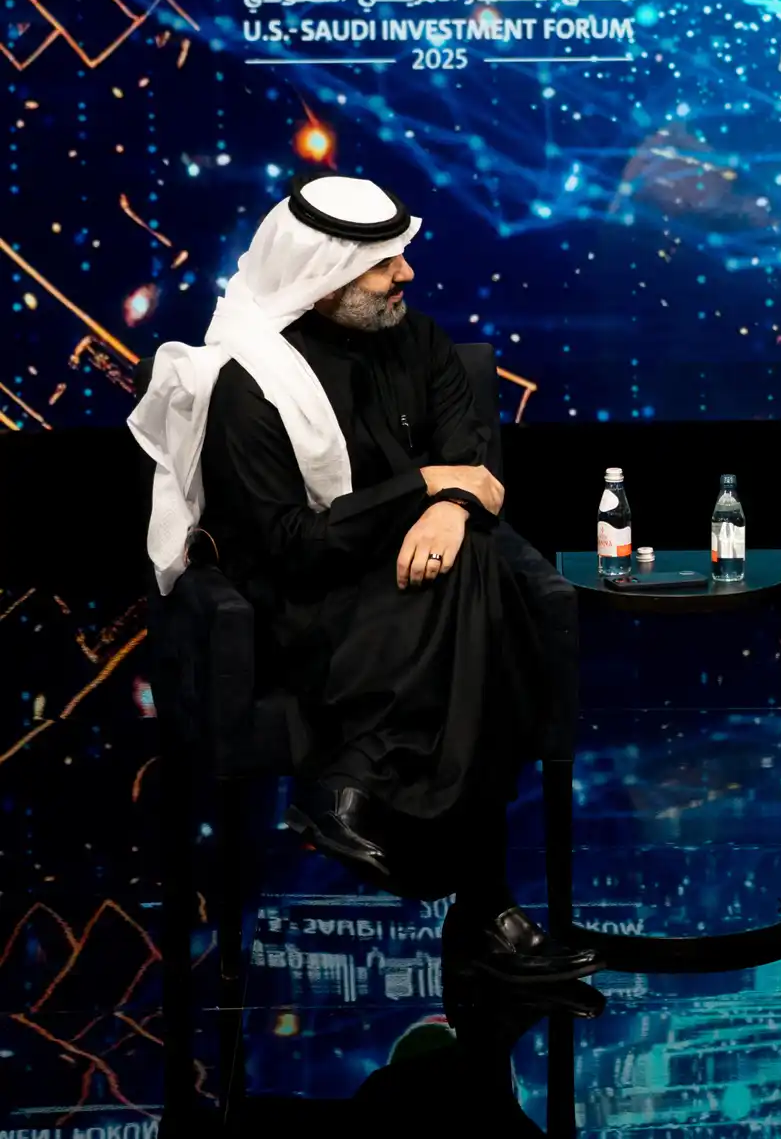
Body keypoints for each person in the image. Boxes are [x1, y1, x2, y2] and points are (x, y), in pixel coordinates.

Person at [129, 174, 599, 985]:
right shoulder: (248, 382)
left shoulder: (421, 342)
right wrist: (426, 486)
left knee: (468, 565)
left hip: (421, 586)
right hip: (310, 604)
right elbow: (291, 546)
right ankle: (483, 905)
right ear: (325, 277)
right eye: (385, 264)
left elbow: (474, 464)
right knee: (480, 598)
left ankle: (349, 783)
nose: (406, 274)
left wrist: (445, 507)